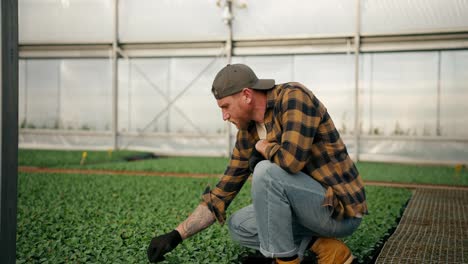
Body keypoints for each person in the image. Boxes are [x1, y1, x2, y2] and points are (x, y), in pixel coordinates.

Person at [147, 64, 368, 264]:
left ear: (246, 95)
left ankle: (285, 261)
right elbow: (221, 195)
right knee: (239, 224)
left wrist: (263, 147)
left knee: (266, 172)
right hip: (308, 210)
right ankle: (330, 251)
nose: (224, 116)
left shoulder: (293, 98)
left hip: (340, 211)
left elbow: (292, 161)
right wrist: (177, 235)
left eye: (225, 106)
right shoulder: (247, 131)